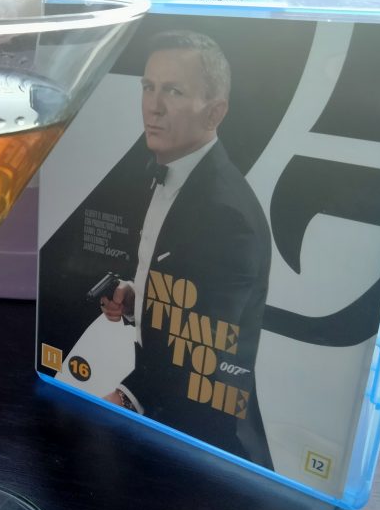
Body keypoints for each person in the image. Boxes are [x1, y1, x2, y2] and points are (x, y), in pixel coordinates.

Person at [97, 29, 273, 469]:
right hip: (159, 424)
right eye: (148, 87)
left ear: (215, 112)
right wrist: (137, 295)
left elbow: (205, 355)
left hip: (200, 446)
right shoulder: (170, 170)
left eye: (173, 91)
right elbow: (188, 291)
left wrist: (126, 398)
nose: (153, 106)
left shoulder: (226, 216)